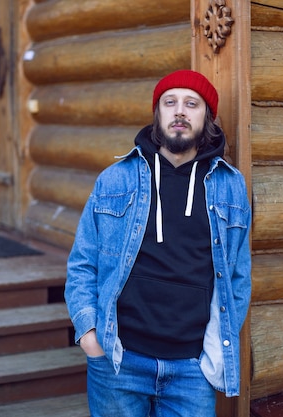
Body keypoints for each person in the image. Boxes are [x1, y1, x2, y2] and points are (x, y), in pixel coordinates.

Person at [65, 69, 251, 417]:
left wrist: (213, 350)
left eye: (191, 104)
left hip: (191, 369)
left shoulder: (230, 187)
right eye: (170, 102)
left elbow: (238, 277)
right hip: (119, 360)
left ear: (206, 118)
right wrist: (90, 335)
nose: (180, 111)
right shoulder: (115, 179)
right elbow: (82, 263)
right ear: (158, 114)